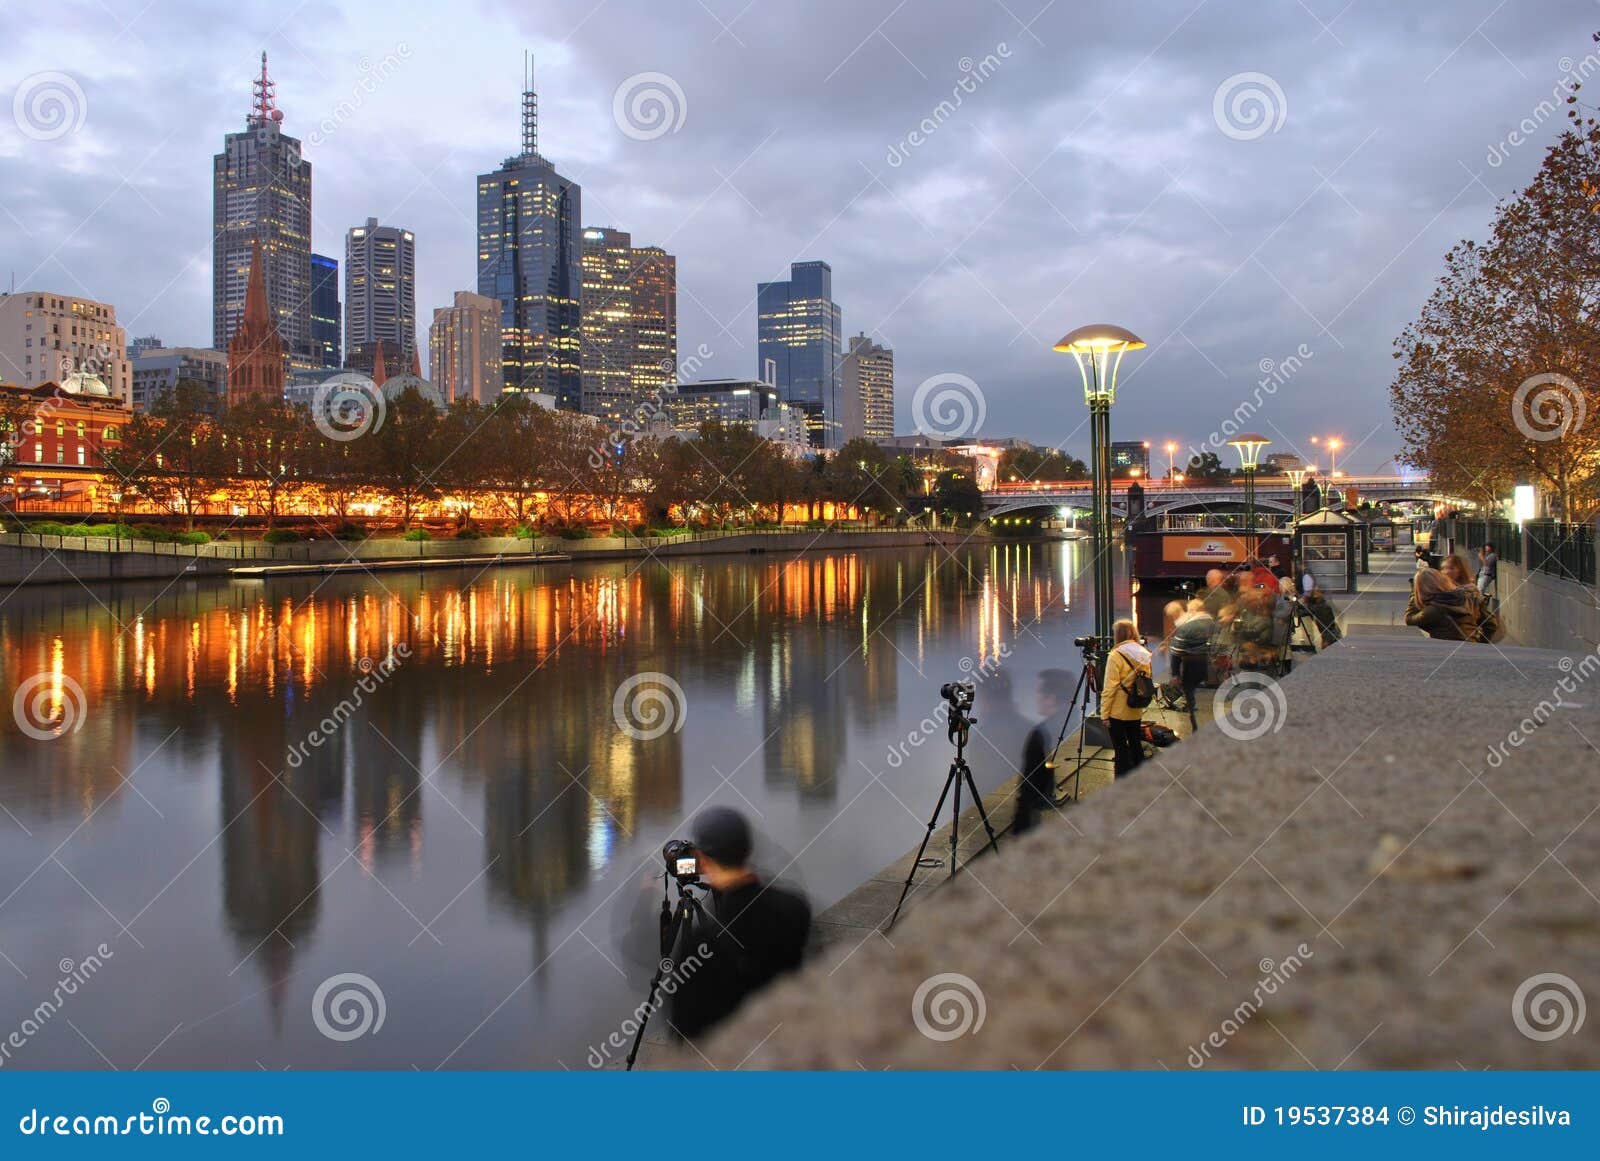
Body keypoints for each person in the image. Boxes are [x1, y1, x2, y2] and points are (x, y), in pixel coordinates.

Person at [667, 807, 812, 1041]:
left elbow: (684, 1031)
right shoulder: (795, 908)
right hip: (787, 1036)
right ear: (748, 850)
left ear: (702, 860)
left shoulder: (700, 942)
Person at [1013, 669, 1076, 834]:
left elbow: (1029, 785)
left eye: (1038, 692)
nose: (1036, 697)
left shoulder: (1039, 734)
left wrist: (1020, 825)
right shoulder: (1074, 720)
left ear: (1051, 698)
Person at [1099, 620, 1152, 778]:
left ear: (1118, 635)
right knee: (1136, 745)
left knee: (1120, 749)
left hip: (1118, 711)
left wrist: (1104, 714)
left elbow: (1110, 688)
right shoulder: (1144, 653)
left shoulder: (1116, 655)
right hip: (1135, 707)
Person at [1167, 599, 1215, 731]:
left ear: (1193, 611)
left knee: (1193, 705)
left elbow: (1176, 652)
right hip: (1212, 670)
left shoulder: (1188, 627)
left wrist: (1175, 673)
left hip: (1191, 667)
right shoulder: (1214, 623)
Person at [1404, 568, 1481, 642]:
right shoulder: (1466, 598)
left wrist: (1414, 593)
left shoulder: (1433, 610)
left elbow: (1410, 619)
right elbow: (1490, 624)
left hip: (1446, 649)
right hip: (1472, 645)